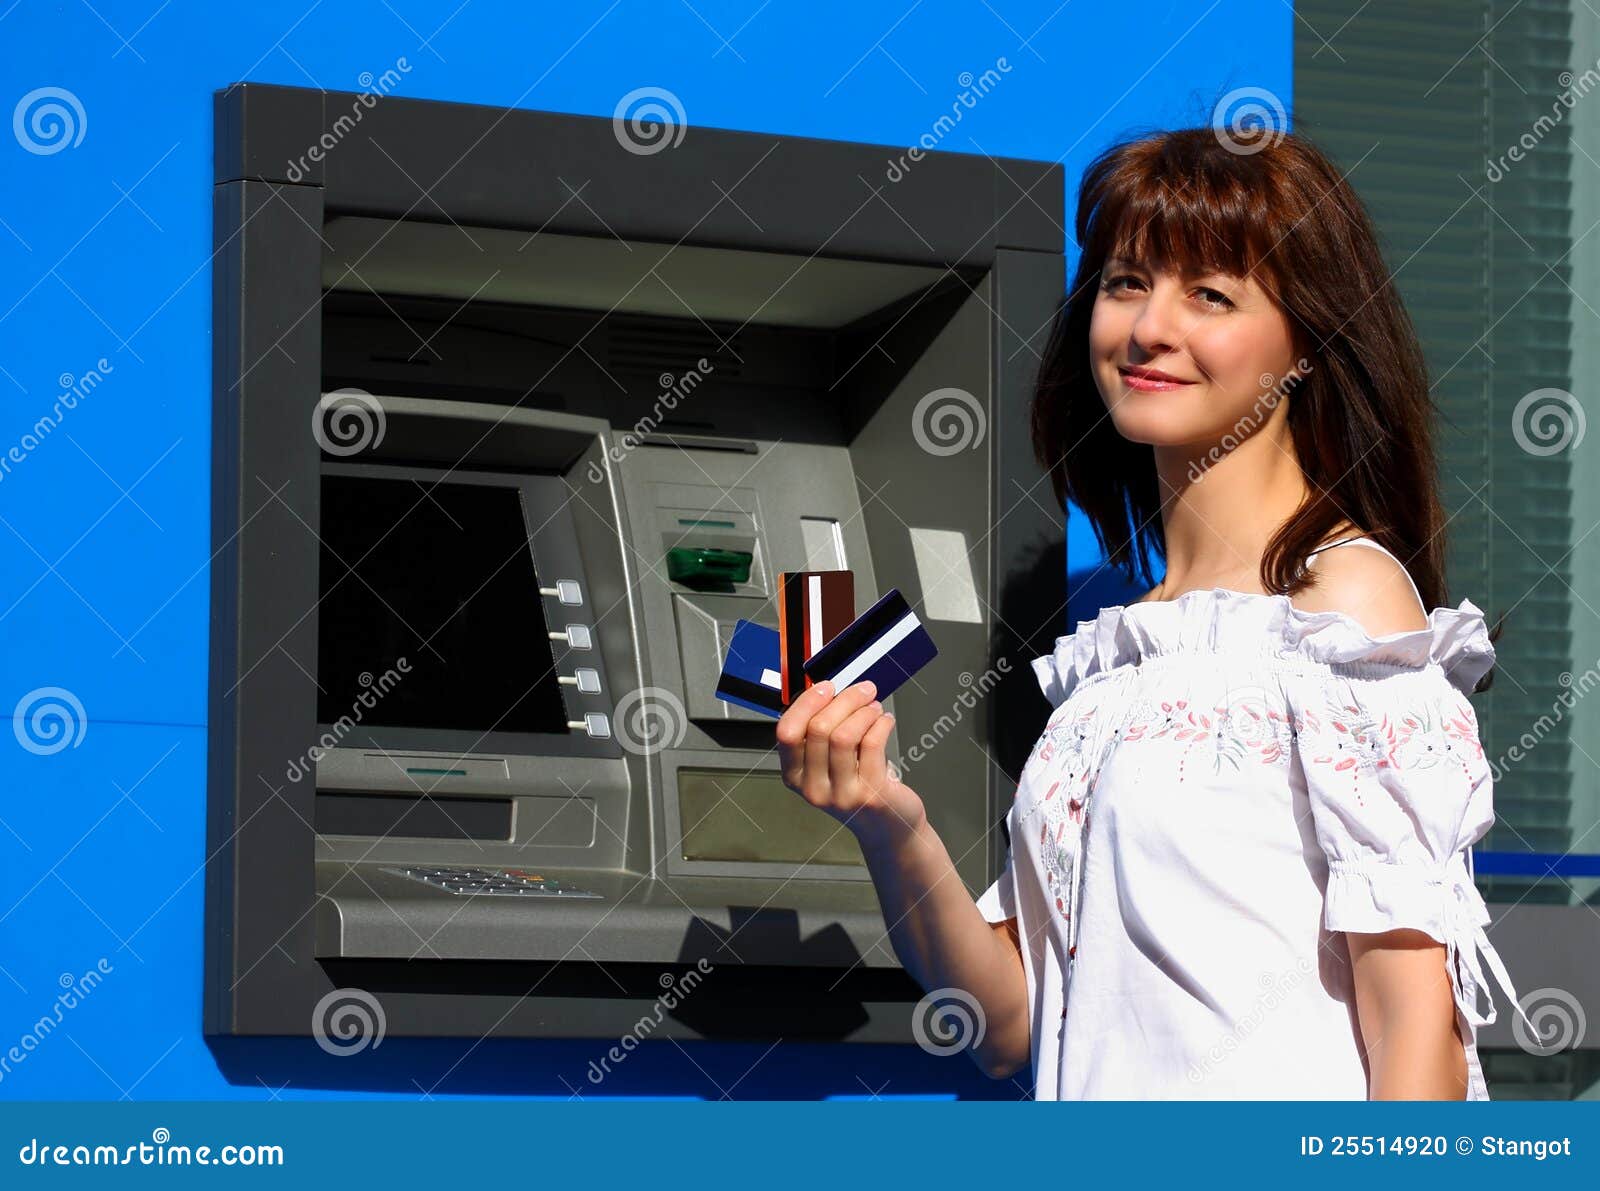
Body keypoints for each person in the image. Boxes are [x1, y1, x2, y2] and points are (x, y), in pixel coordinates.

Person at [774, 124, 1534, 1100]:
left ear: (1306, 344)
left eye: (1208, 294)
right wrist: (888, 820)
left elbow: (1412, 1019)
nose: (1147, 328)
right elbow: (1010, 1029)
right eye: (1127, 281)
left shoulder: (1341, 604)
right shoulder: (1116, 658)